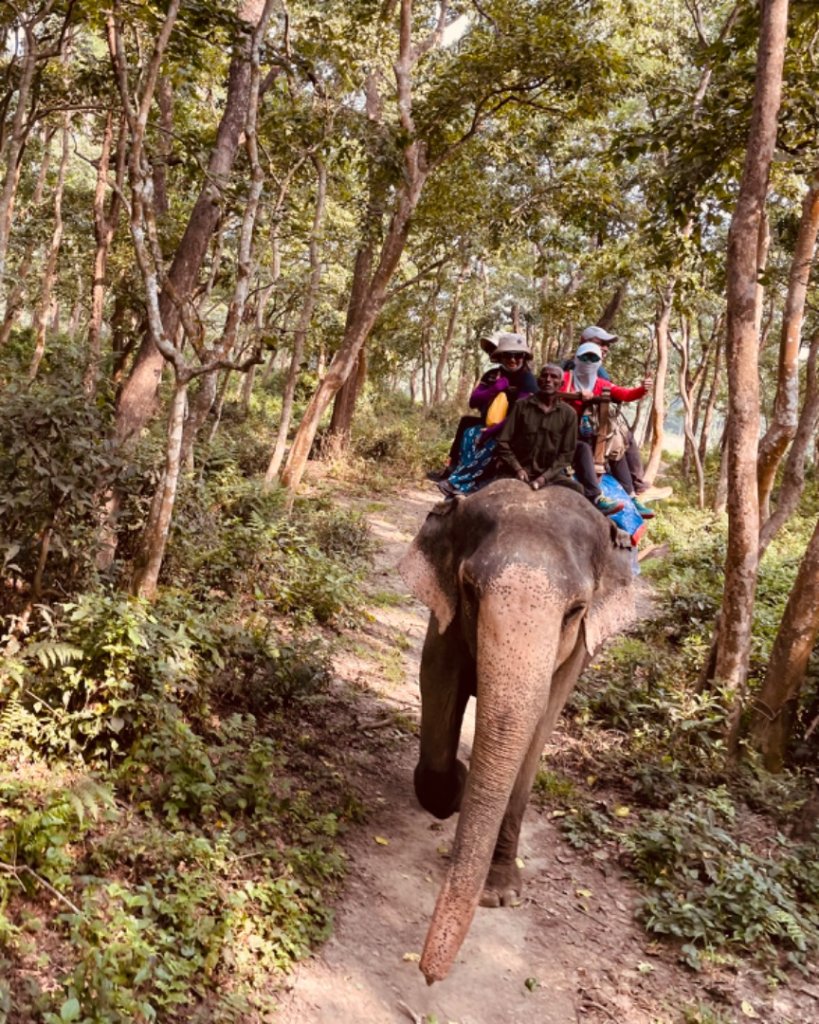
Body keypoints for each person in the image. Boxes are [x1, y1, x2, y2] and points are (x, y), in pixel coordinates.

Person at [560, 341, 654, 517]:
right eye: (584, 357)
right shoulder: (564, 379)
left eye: (593, 358)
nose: (588, 362)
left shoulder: (601, 383)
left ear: (599, 362)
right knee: (584, 449)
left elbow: (625, 394)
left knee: (616, 449)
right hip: (563, 431)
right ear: (577, 358)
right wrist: (575, 396)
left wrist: (642, 389)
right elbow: (545, 389)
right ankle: (596, 496)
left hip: (594, 432)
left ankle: (632, 496)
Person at [438, 333, 536, 497]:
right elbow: (473, 401)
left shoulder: (528, 379)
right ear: (500, 356)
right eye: (507, 355)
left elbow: (519, 415)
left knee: (492, 442)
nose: (512, 359)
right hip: (488, 425)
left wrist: (492, 431)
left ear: (524, 356)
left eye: (517, 355)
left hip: (513, 428)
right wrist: (495, 388)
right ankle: (458, 473)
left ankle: (458, 482)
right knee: (469, 432)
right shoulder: (491, 375)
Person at [495, 364, 578, 490]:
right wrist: (517, 468)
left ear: (561, 384)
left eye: (553, 377)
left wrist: (544, 478)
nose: (548, 380)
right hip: (515, 470)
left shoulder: (569, 414)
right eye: (544, 376)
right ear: (538, 381)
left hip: (548, 475)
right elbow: (502, 441)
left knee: (578, 490)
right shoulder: (521, 406)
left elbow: (567, 454)